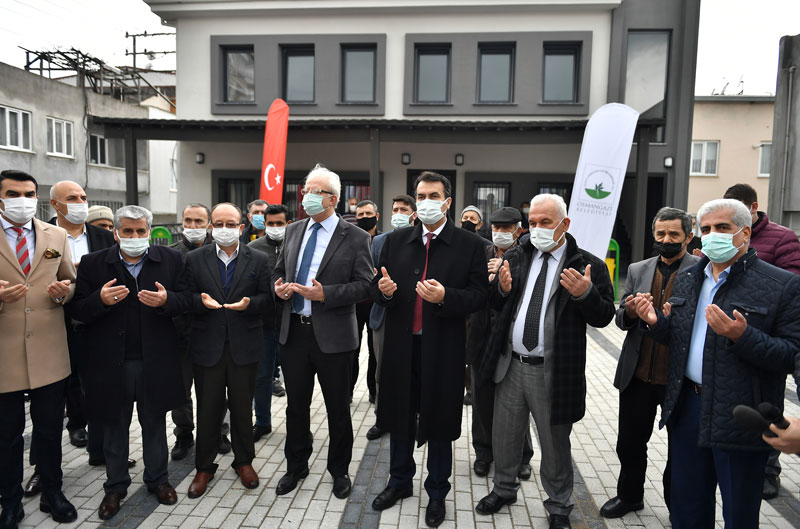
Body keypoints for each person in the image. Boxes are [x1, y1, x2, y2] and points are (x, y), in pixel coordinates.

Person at [634, 198, 800, 528]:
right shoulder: (689, 277)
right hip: (688, 408)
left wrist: (742, 336)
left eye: (723, 227)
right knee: (687, 506)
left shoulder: (782, 285)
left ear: (745, 233)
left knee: (739, 512)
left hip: (740, 413)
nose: (712, 235)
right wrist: (655, 323)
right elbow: (682, 340)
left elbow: (790, 354)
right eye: (706, 229)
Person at [475, 193, 615, 529]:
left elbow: (604, 316)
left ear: (564, 224)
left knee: (554, 443)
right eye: (533, 222)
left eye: (545, 222)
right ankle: (503, 488)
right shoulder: (517, 255)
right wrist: (501, 289)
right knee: (505, 434)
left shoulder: (587, 265)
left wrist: (585, 294)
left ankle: (559, 505)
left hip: (553, 371)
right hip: (511, 365)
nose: (536, 229)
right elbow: (495, 303)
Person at [371, 171, 488, 528]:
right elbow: (378, 289)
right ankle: (399, 480)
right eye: (420, 196)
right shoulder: (395, 241)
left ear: (447, 202)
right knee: (400, 415)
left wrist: (445, 297)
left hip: (444, 349)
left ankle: (437, 491)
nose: (425, 203)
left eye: (433, 196)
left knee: (439, 420)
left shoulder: (469, 245)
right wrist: (384, 292)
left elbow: (479, 296)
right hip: (401, 346)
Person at [70, 205, 188, 520]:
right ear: (116, 233)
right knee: (114, 426)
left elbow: (189, 300)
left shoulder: (171, 260)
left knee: (154, 424)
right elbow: (77, 310)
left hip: (154, 360)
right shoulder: (94, 263)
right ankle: (115, 486)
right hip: (111, 362)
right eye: (128, 231)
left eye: (140, 231)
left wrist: (168, 300)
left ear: (149, 232)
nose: (134, 237)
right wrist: (99, 300)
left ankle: (158, 479)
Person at [273, 164, 373, 499]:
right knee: (295, 407)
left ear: (332, 199)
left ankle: (339, 470)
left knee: (338, 408)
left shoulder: (355, 236)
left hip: (334, 337)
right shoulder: (293, 230)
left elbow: (365, 285)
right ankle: (296, 465)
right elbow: (278, 270)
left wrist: (325, 294)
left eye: (316, 192)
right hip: (294, 333)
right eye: (306, 191)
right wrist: (278, 288)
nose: (307, 197)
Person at [598, 207, 699, 519]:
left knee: (679, 450)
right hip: (638, 374)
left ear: (688, 237)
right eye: (660, 234)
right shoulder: (638, 269)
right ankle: (630, 497)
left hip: (678, 379)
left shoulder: (701, 271)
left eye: (674, 234)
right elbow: (620, 320)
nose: (666, 239)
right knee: (629, 443)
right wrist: (629, 312)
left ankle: (676, 506)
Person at [0, 170, 78, 527]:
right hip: (5, 354)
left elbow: (69, 280)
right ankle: (10, 501)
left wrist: (64, 292)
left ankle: (52, 492)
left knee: (48, 430)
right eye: (13, 194)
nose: (23, 200)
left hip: (49, 351)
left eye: (29, 194)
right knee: (7, 435)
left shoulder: (55, 234)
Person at [184, 203, 272, 498]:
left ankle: (244, 461)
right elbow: (185, 297)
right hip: (207, 346)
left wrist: (250, 304)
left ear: (241, 227)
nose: (225, 229)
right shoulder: (195, 259)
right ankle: (204, 466)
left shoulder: (258, 259)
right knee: (207, 408)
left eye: (230, 224)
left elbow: (267, 299)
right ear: (210, 227)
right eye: (219, 224)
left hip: (244, 346)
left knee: (242, 408)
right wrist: (200, 302)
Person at [723, 183, 800, 498]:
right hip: (730, 334)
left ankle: (769, 471)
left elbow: (792, 284)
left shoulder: (782, 238)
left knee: (768, 404)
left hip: (768, 338)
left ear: (753, 208)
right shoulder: (725, 236)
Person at [470, 207, 534, 480]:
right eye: (496, 228)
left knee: (516, 402)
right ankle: (484, 453)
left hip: (511, 338)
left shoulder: (527, 256)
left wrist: (507, 278)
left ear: (518, 231)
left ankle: (522, 456)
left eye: (506, 229)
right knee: (481, 398)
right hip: (481, 334)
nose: (500, 233)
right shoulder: (480, 253)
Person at [168, 204, 232, 460]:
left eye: (199, 221)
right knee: (180, 391)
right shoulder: (171, 254)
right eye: (188, 220)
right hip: (179, 336)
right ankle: (184, 433)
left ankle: (220, 431)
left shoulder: (221, 252)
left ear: (209, 224)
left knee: (216, 389)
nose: (193, 226)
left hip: (212, 333)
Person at [365, 194, 417, 441]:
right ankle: (382, 417)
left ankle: (414, 415)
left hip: (414, 316)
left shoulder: (423, 241)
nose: (398, 214)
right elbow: (371, 279)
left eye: (403, 209)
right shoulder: (379, 242)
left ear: (414, 214)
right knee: (382, 371)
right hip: (384, 315)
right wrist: (382, 287)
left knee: (414, 369)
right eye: (395, 209)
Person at [248, 203, 289, 442]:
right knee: (262, 377)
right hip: (263, 323)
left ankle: (298, 423)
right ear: (264, 224)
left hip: (291, 323)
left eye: (279, 223)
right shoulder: (253, 249)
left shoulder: (296, 246)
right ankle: (262, 422)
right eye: (270, 223)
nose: (275, 227)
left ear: (288, 223)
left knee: (295, 377)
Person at [352, 199, 381, 402]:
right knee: (351, 350)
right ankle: (347, 391)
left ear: (377, 216)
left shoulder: (385, 240)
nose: (364, 218)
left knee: (375, 351)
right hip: (353, 304)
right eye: (360, 215)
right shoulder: (350, 240)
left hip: (376, 304)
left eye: (368, 214)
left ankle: (374, 391)